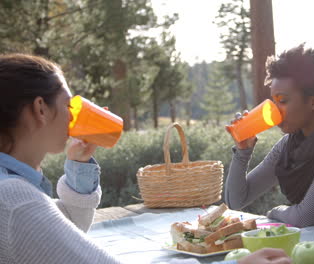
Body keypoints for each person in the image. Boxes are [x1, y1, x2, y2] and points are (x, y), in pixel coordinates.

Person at [0, 53, 291, 264]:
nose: (74, 115)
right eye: (68, 105)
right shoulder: (15, 198)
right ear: (40, 109)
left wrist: (78, 166)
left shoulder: (12, 190)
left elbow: (65, 231)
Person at [225, 44, 314, 230]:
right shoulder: (289, 145)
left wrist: (274, 212)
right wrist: (242, 151)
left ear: (313, 102)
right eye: (273, 101)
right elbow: (235, 201)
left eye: (282, 101)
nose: (273, 111)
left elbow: (304, 217)